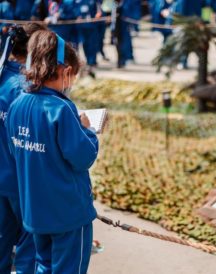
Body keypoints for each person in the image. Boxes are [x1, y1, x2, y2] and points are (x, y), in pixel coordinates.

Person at [6, 30, 99, 273]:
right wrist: (87, 130)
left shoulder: (18, 104)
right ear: (66, 71)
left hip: (35, 210)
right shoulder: (61, 109)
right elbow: (83, 157)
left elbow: (16, 153)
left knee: (43, 265)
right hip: (68, 213)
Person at [0, 23, 45, 274]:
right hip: (22, 181)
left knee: (3, 241)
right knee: (30, 246)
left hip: (2, 177)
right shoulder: (25, 86)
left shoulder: (3, 74)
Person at [76, 0, 102, 76]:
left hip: (92, 27)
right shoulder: (78, 1)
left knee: (92, 44)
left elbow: (99, 11)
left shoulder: (93, 1)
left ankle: (92, 61)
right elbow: (75, 11)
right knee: (85, 44)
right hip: (82, 27)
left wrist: (97, 16)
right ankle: (88, 60)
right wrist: (78, 17)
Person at [111, 0, 134, 68]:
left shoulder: (125, 4)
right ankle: (119, 61)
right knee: (117, 45)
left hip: (123, 29)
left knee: (123, 45)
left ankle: (123, 61)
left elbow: (128, 16)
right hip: (115, 29)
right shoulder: (114, 5)